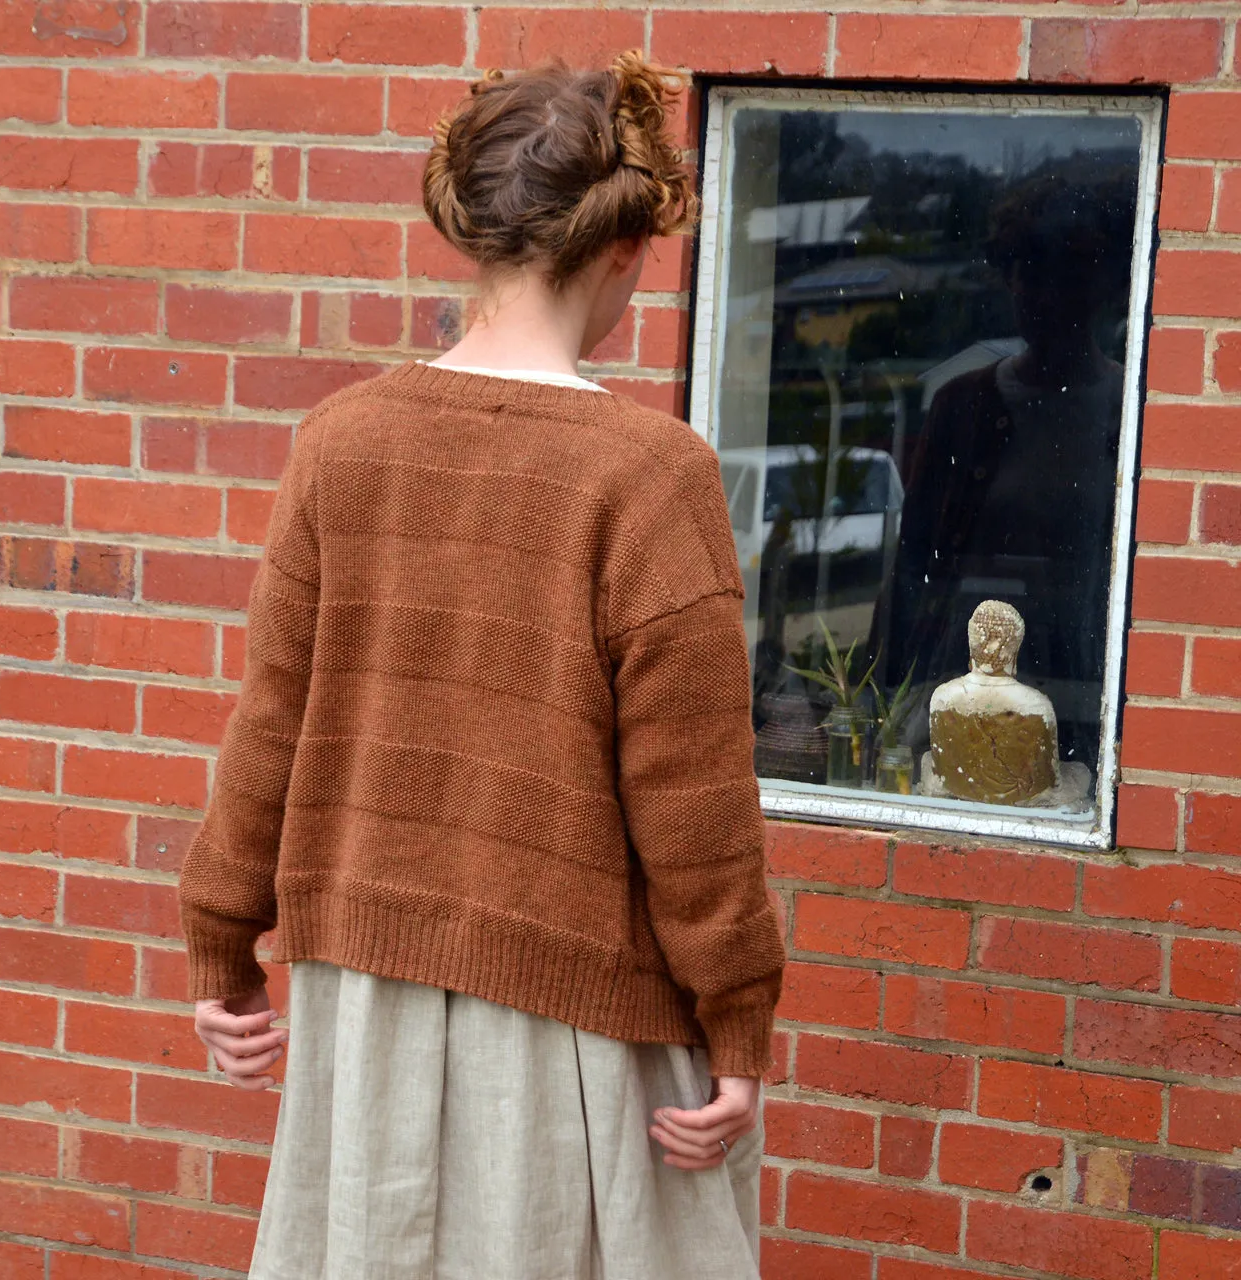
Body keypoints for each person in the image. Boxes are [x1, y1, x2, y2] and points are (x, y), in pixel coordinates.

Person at [177, 51, 787, 1280]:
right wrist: (738, 1027)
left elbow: (270, 722)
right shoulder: (648, 474)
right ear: (626, 246)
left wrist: (222, 949)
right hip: (573, 1026)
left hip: (362, 1005)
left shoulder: (338, 443)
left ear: (477, 236)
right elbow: (693, 808)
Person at [879, 173, 1129, 777]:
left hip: (1089, 676)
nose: (1034, 291)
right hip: (965, 674)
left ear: (1101, 283)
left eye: (1057, 270)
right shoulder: (962, 405)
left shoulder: (1130, 405)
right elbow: (914, 566)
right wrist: (884, 692)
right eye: (1018, 269)